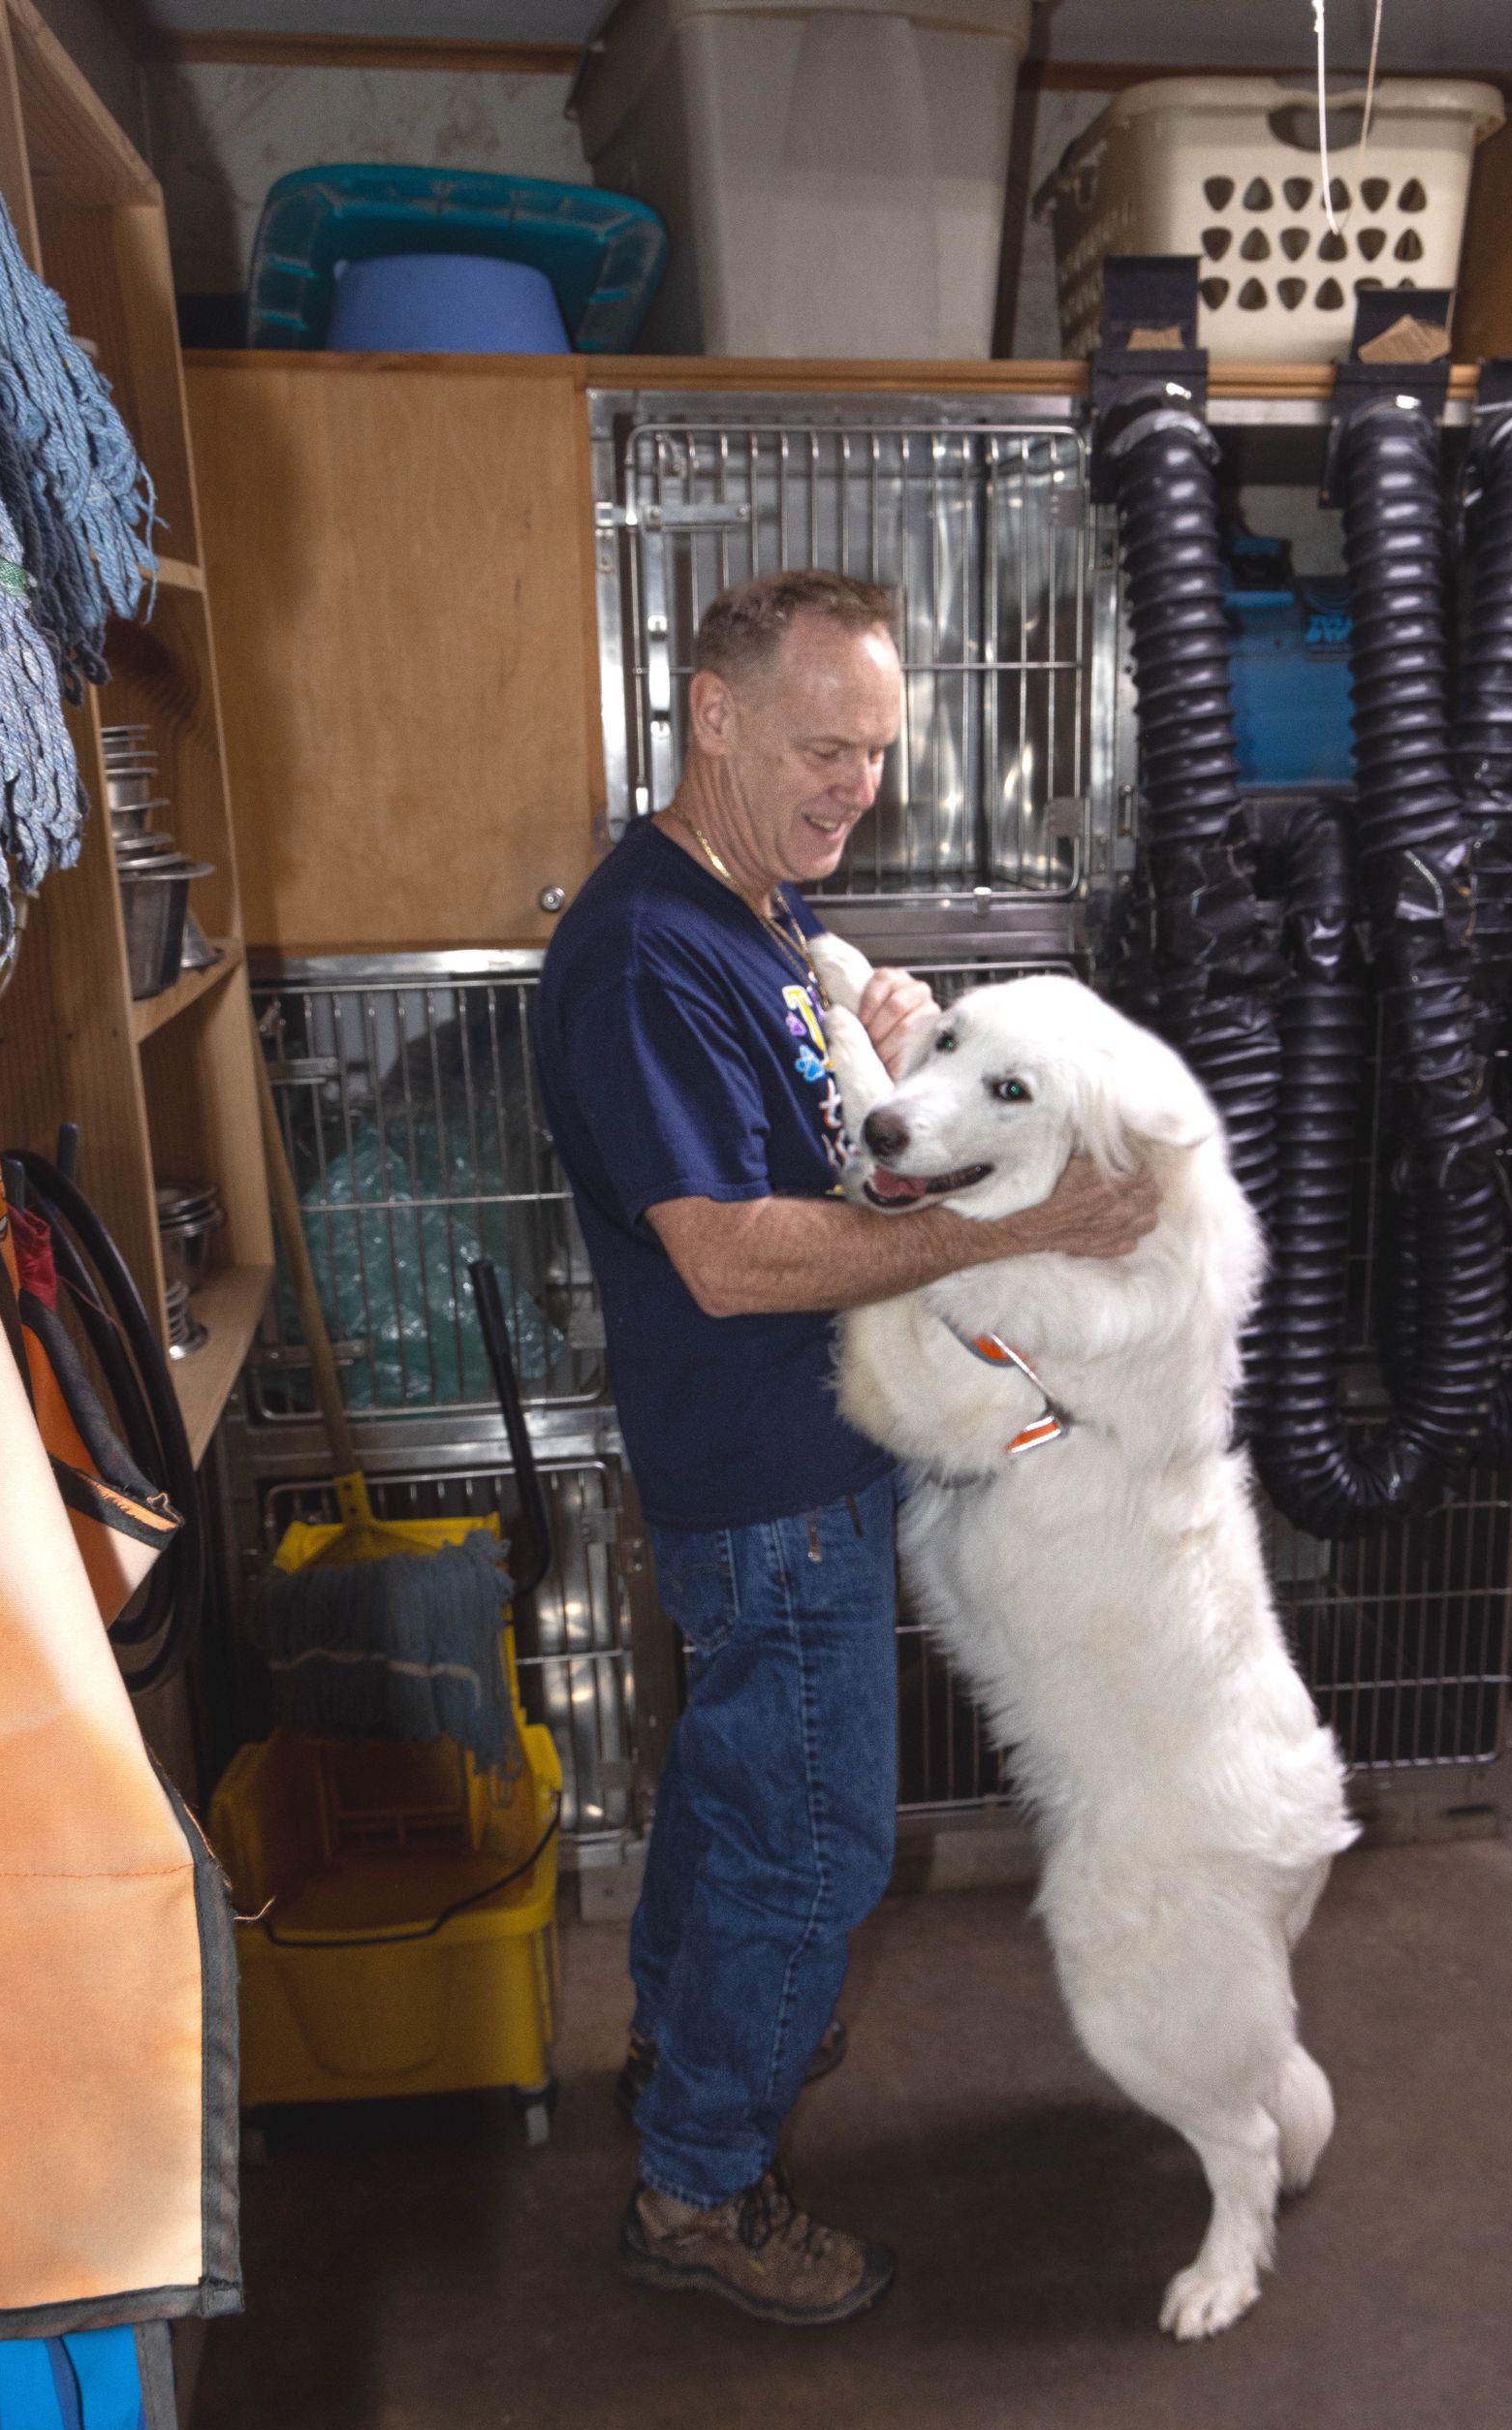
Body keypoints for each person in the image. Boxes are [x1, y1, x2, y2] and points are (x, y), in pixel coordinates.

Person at [534, 569, 1157, 2326]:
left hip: (799, 1458)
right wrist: (1008, 1232)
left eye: (875, 755)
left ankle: (678, 2062)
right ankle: (703, 2196)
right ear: (710, 714)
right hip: (767, 1473)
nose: (850, 788)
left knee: (738, 1806)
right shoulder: (650, 948)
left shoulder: (744, 916)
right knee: (816, 1847)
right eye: (821, 746)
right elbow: (732, 1254)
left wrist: (884, 1030)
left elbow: (818, 1152)